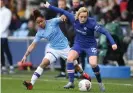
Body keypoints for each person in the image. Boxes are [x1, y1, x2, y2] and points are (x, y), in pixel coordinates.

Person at [42, 2, 118, 92]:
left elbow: (105, 31)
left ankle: (100, 83)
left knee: (93, 64)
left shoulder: (92, 23)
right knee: (70, 58)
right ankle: (71, 82)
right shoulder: (73, 18)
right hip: (78, 44)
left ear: (87, 16)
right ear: (78, 16)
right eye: (81, 17)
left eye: (85, 17)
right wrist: (49, 6)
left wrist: (113, 43)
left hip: (90, 45)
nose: (83, 19)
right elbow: (61, 10)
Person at [21, 9, 90, 90]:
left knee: (76, 66)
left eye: (41, 21)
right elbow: (32, 45)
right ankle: (31, 84)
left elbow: (62, 17)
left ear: (44, 19)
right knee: (43, 63)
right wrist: (25, 55)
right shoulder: (39, 32)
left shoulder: (53, 22)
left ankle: (84, 74)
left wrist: (63, 17)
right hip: (53, 49)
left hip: (65, 48)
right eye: (38, 23)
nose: (40, 24)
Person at [0, 0, 14, 74]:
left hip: (4, 35)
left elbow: (7, 23)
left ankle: (11, 66)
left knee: (6, 50)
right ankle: (3, 66)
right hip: (0, 34)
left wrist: (1, 31)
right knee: (1, 51)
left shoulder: (7, 11)